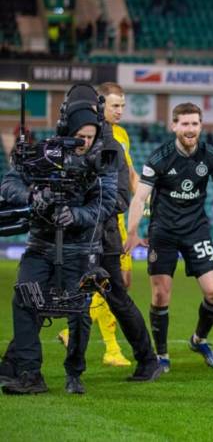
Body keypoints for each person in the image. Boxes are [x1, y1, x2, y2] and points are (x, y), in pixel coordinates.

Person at [124, 103, 213, 372]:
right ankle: (162, 355)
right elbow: (140, 196)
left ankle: (198, 340)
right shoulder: (158, 158)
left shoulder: (210, 156)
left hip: (196, 230)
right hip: (163, 232)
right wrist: (132, 232)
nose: (190, 129)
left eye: (195, 124)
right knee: (160, 295)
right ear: (174, 126)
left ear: (201, 126)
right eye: (185, 124)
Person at [0, 86, 118, 394]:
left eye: (91, 136)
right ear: (68, 129)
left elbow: (107, 203)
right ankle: (28, 373)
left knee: (79, 310)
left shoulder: (105, 156)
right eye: (81, 135)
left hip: (81, 249)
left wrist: (76, 215)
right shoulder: (45, 151)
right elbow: (10, 182)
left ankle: (74, 372)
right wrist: (33, 195)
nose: (86, 142)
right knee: (25, 300)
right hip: (40, 245)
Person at [57, 82, 138, 367]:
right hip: (95, 222)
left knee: (120, 284)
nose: (120, 111)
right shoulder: (87, 137)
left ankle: (75, 332)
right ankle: (112, 348)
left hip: (117, 219)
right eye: (115, 105)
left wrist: (141, 204)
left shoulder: (121, 136)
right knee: (107, 284)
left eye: (123, 106)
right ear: (100, 105)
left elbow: (129, 173)